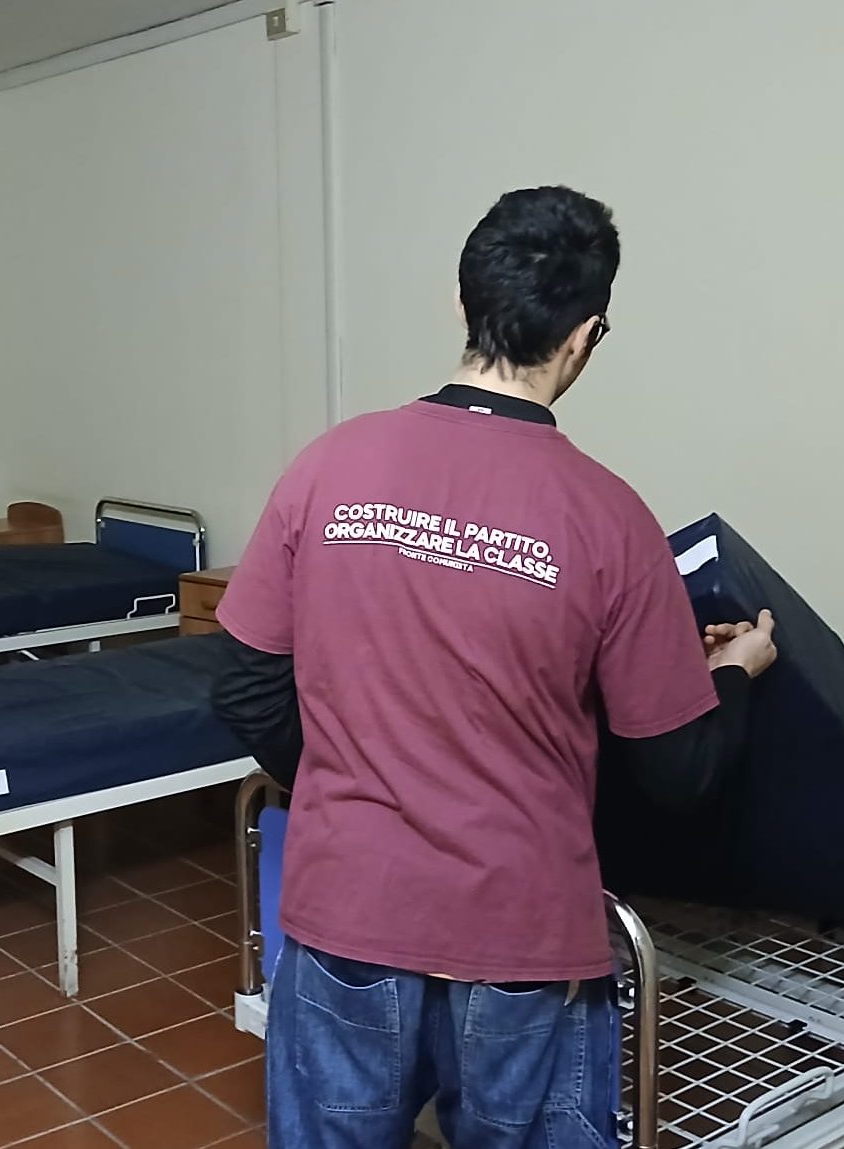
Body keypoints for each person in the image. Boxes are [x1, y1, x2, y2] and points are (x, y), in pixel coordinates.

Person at [210, 185, 778, 1149]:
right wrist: (736, 672)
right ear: (586, 337)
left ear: (462, 303)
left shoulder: (328, 465)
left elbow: (243, 684)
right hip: (518, 935)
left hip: (346, 903)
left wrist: (365, 781)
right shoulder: (610, 517)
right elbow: (679, 770)